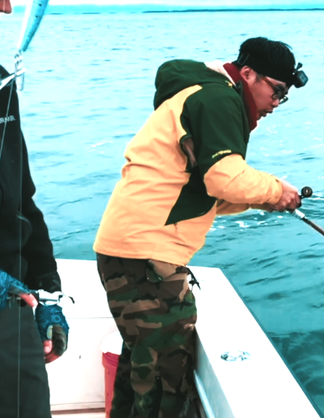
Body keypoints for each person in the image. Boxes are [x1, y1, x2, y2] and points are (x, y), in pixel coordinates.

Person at [93, 37, 308, 417]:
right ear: (248, 74)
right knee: (164, 383)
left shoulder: (204, 95)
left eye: (284, 96)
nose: (277, 103)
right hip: (146, 256)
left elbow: (205, 191)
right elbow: (225, 178)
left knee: (141, 371)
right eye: (276, 91)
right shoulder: (220, 99)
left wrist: (266, 200)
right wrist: (276, 191)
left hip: (132, 250)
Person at [0, 1, 69, 417]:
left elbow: (22, 202)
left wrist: (47, 291)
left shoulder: (3, 88)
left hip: (12, 306)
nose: (8, 8)